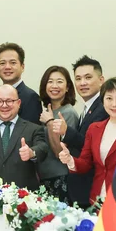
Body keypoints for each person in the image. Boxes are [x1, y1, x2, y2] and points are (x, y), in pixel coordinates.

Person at [58, 77, 116, 220]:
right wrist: (70, 160)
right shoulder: (94, 129)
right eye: (109, 98)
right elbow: (85, 164)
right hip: (97, 200)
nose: (114, 104)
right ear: (103, 100)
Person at [54, 55, 108, 207]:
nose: (82, 83)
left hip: (93, 186)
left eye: (88, 77)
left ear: (101, 79)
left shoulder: (105, 107)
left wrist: (67, 132)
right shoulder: (88, 108)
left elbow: (93, 146)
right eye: (78, 79)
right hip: (81, 186)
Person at [36, 66, 79, 200]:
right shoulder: (46, 111)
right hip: (44, 177)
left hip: (60, 178)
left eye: (59, 81)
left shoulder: (68, 112)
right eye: (50, 81)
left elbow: (59, 151)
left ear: (67, 87)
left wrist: (49, 122)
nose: (54, 86)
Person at [0, 42, 41, 123]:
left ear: (22, 67)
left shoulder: (31, 97)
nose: (7, 67)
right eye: (2, 63)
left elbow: (31, 131)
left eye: (13, 63)